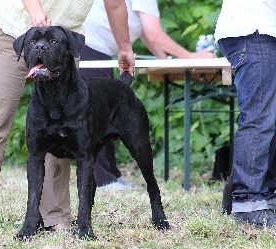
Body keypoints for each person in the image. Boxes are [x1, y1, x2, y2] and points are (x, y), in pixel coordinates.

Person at [0, 0, 135, 240]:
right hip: (14, 29)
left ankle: (56, 217)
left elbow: (115, 4)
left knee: (63, 128)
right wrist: (36, 12)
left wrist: (124, 47)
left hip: (63, 40)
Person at [79, 0, 216, 190]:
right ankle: (103, 180)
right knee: (99, 118)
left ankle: (111, 176)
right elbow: (154, 33)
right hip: (89, 48)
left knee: (106, 114)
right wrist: (190, 57)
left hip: (98, 50)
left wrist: (166, 61)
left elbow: (145, 33)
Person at [214, 0, 276, 228]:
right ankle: (247, 202)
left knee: (265, 118)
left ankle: (262, 197)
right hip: (255, 29)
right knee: (259, 119)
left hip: (259, 29)